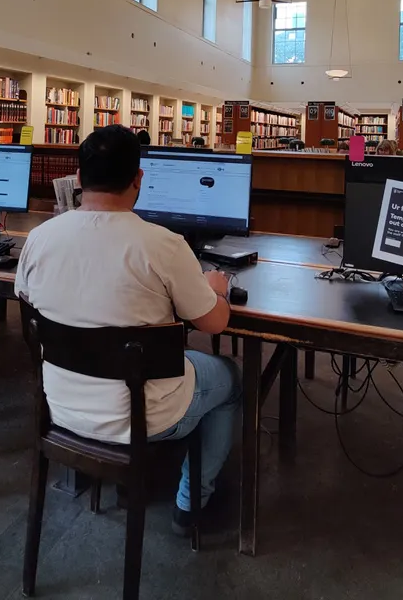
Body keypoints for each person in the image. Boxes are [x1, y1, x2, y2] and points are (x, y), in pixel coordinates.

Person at [15, 124, 239, 534]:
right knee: (230, 378)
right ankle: (192, 501)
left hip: (59, 406)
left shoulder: (39, 238)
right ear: (139, 179)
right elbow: (214, 322)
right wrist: (217, 290)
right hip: (146, 416)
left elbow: (28, 300)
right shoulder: (164, 245)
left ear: (78, 179)